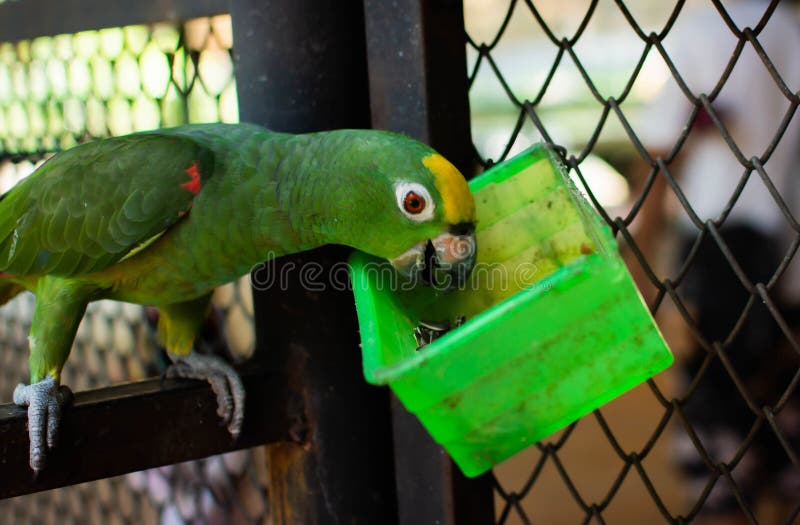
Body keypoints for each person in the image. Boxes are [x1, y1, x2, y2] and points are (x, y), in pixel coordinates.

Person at [630, 1, 800, 522]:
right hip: (788, 240)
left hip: (718, 240)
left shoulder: (706, 28)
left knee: (715, 423)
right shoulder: (791, 27)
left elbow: (663, 147)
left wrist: (636, 244)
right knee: (784, 405)